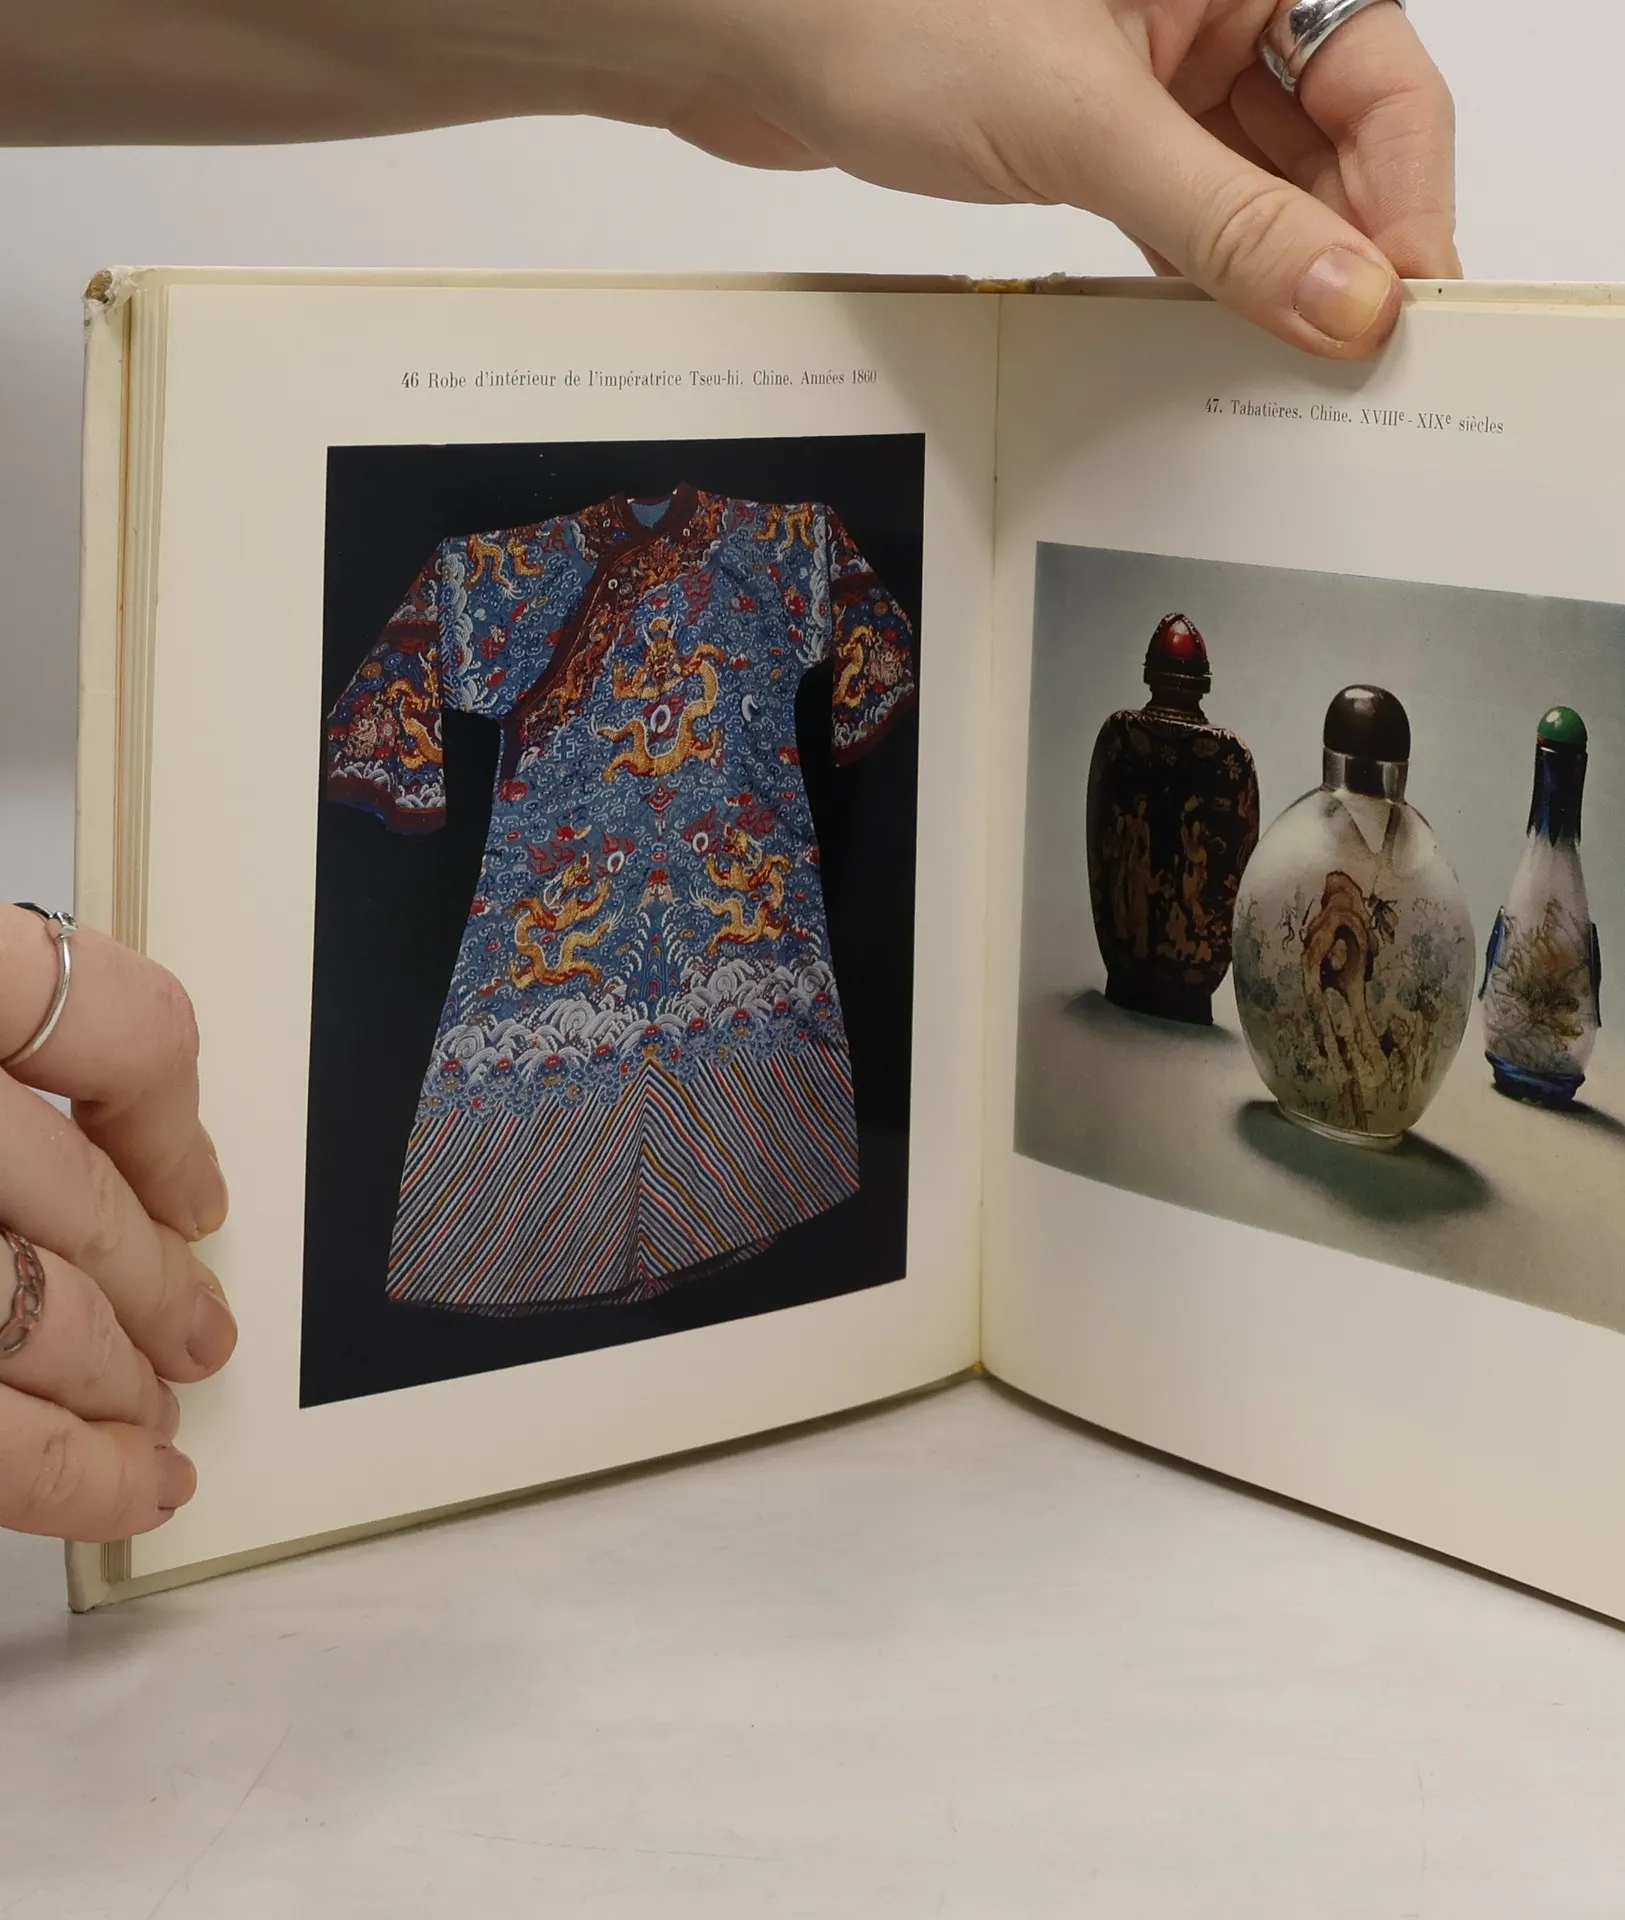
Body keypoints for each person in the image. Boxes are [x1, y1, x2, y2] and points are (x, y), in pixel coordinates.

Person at [0, 0, 1456, 1539]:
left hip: (737, 925)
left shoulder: (780, 551)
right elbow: (414, 663)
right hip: (559, 939)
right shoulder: (527, 572)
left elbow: (875, 644)